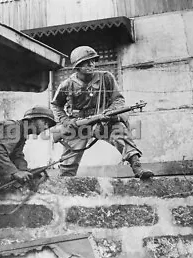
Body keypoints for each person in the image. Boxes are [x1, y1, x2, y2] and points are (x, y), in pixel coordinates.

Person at [51, 46, 154, 180]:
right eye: (86, 62)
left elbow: (118, 99)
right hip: (79, 125)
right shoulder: (67, 85)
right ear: (77, 66)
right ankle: (63, 184)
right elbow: (56, 105)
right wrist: (66, 121)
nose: (91, 64)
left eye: (93, 61)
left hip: (102, 122)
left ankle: (136, 166)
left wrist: (111, 113)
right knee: (69, 160)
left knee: (120, 130)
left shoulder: (106, 78)